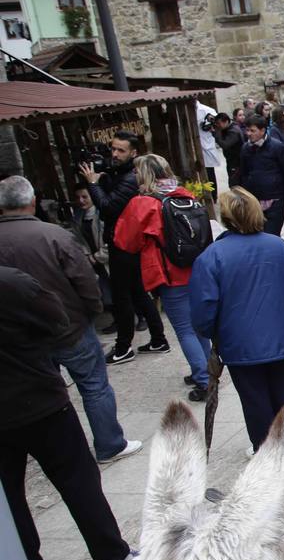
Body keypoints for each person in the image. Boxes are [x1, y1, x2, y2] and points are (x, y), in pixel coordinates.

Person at [0, 265, 142, 560]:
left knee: (9, 494)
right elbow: (57, 322)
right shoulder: (13, 282)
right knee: (78, 478)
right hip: (39, 398)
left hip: (19, 405)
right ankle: (112, 555)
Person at [0, 176, 141, 465]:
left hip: (21, 336)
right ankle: (109, 443)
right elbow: (85, 281)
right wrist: (92, 311)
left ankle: (59, 452)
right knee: (94, 384)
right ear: (32, 202)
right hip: (69, 326)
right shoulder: (54, 236)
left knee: (46, 393)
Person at [189, 187, 284, 454]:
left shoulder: (213, 256)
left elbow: (203, 308)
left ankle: (267, 446)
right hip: (279, 336)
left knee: (254, 396)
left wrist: (215, 332)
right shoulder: (279, 246)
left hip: (239, 341)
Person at [113, 155, 214, 401]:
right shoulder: (183, 194)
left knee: (184, 329)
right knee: (199, 327)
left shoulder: (143, 203)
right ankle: (208, 370)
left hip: (169, 274)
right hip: (197, 269)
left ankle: (204, 380)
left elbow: (124, 240)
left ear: (144, 174)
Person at [83, 130, 166, 364]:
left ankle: (123, 347)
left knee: (122, 297)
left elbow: (108, 207)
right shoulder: (121, 173)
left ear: (134, 152)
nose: (115, 154)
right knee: (138, 293)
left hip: (124, 243)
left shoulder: (131, 178)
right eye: (113, 149)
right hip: (124, 241)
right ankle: (158, 339)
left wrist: (92, 184)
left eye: (121, 150)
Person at [240, 113, 284, 237]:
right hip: (254, 200)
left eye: (252, 130)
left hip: (275, 199)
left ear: (262, 130)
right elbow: (243, 172)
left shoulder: (277, 147)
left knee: (272, 234)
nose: (249, 133)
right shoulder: (245, 149)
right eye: (247, 130)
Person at [214, 112, 243, 186]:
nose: (218, 126)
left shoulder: (233, 131)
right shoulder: (229, 129)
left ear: (226, 121)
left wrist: (216, 134)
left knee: (235, 185)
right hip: (232, 161)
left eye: (219, 123)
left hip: (236, 162)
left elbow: (225, 145)